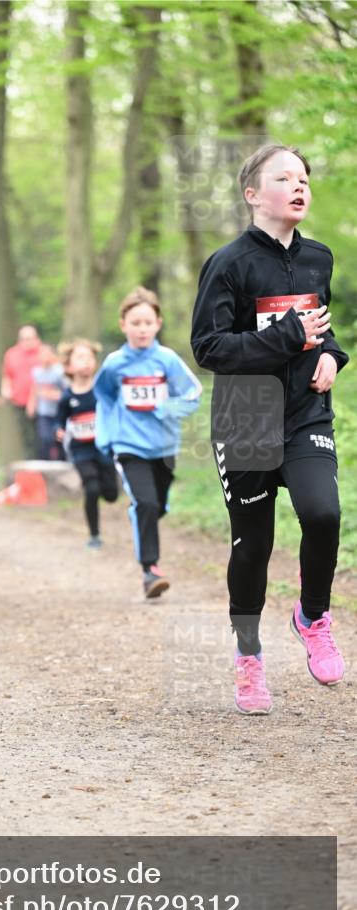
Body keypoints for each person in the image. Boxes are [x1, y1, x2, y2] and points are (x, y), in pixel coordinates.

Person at [191, 143, 349, 715]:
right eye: (284, 178)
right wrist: (288, 336)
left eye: (304, 178)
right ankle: (249, 659)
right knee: (253, 545)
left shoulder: (319, 259)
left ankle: (312, 615)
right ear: (253, 194)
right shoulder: (229, 264)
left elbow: (318, 330)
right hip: (246, 418)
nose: (299, 186)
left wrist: (332, 355)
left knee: (324, 513)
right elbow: (208, 347)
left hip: (305, 411)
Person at [95, 286, 202, 598]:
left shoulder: (167, 360)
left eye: (147, 322)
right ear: (123, 325)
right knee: (147, 503)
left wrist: (165, 407)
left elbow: (193, 394)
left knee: (158, 505)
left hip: (165, 447)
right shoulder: (114, 364)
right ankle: (150, 571)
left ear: (158, 323)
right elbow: (103, 396)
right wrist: (108, 436)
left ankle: (143, 513)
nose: (141, 329)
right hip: (129, 445)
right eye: (135, 322)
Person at [56, 339, 118, 549]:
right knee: (91, 489)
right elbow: (60, 418)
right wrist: (60, 429)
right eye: (80, 358)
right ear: (68, 366)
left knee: (111, 495)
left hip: (104, 447)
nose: (86, 362)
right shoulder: (67, 397)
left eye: (90, 358)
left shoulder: (102, 389)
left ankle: (104, 483)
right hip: (81, 449)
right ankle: (94, 535)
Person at [1, 324, 42, 459]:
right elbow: (7, 376)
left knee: (41, 436)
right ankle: (29, 465)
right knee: (25, 436)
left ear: (37, 339)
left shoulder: (43, 353)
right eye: (24, 339)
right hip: (19, 402)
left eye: (30, 338)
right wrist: (6, 390)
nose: (28, 342)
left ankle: (42, 462)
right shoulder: (11, 354)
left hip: (42, 403)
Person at [27, 343, 66, 460]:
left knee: (59, 440)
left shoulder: (59, 372)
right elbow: (34, 389)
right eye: (42, 355)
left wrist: (55, 395)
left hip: (58, 412)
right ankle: (45, 464)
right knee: (45, 438)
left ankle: (61, 463)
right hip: (44, 412)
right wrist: (31, 405)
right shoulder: (36, 372)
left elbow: (66, 391)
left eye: (48, 354)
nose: (45, 358)